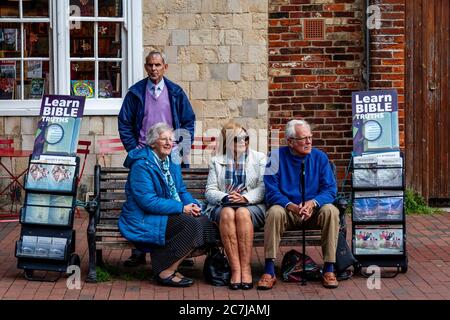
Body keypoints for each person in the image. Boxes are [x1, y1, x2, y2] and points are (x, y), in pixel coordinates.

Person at [118, 50, 196, 267]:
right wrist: (134, 150)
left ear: (165, 67)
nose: (154, 69)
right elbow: (124, 123)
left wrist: (179, 150)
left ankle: (181, 249)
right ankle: (139, 251)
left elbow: (188, 122)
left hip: (170, 151)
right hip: (144, 153)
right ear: (146, 67)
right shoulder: (135, 92)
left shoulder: (176, 92)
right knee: (140, 198)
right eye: (150, 65)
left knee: (173, 197)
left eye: (158, 65)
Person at [118, 123, 216, 287]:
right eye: (164, 139)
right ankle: (165, 271)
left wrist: (193, 205)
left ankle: (172, 265)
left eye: (171, 139)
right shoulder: (142, 165)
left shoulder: (171, 160)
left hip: (166, 212)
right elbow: (147, 201)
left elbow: (181, 190)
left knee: (203, 221)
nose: (169, 143)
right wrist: (181, 208)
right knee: (190, 224)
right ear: (152, 142)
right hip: (143, 217)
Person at [257, 119, 340, 290]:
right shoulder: (275, 158)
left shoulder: (320, 157)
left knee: (331, 211)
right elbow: (271, 191)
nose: (309, 142)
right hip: (287, 211)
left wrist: (313, 203)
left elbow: (330, 189)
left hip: (313, 211)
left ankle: (329, 269)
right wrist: (291, 206)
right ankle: (269, 270)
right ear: (290, 142)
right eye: (303, 138)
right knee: (274, 212)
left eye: (310, 137)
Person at [205, 122, 266, 290]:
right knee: (227, 213)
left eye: (245, 138)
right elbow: (210, 191)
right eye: (238, 139)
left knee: (242, 214)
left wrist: (244, 199)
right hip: (224, 206)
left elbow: (263, 188)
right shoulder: (216, 161)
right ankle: (235, 269)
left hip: (252, 206)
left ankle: (246, 268)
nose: (243, 142)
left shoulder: (259, 158)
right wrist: (226, 197)